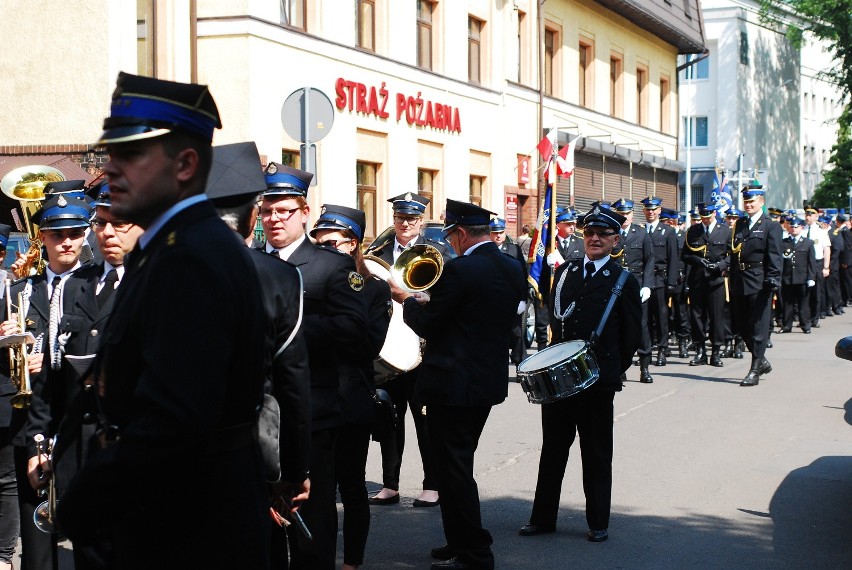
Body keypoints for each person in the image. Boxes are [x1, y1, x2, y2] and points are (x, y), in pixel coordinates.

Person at [56, 72, 271, 569]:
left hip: (189, 527)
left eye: (130, 155)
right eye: (111, 154)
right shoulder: (176, 246)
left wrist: (87, 499)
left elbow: (175, 419)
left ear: (185, 164)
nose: (110, 169)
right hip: (189, 515)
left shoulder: (188, 256)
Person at [388, 198, 525, 570]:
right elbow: (477, 312)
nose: (450, 243)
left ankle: (474, 551)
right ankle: (457, 540)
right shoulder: (512, 265)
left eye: (451, 235)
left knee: (455, 470)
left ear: (462, 232)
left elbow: (430, 323)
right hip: (486, 381)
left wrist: (408, 300)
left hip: (453, 384)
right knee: (455, 465)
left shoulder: (461, 270)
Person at [206, 142, 312, 569]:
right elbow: (293, 383)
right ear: (253, 213)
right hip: (246, 454)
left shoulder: (157, 267)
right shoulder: (278, 275)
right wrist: (295, 470)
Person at [259, 162, 367, 570]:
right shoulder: (250, 261)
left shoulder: (330, 264)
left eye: (285, 210)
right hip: (260, 410)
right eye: (268, 210)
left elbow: (353, 329)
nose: (275, 219)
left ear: (305, 212)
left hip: (312, 408)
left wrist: (288, 330)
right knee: (263, 520)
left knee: (312, 519)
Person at [520, 204, 641, 543]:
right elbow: (556, 322)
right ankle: (543, 518)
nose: (594, 239)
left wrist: (609, 370)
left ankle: (598, 521)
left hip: (597, 381)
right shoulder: (567, 272)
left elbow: (631, 336)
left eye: (603, 234)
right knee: (553, 450)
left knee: (597, 452)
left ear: (616, 240)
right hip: (559, 380)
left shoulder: (623, 280)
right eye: (589, 233)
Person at [2, 193, 93, 570]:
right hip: (32, 418)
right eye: (57, 234)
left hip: (81, 418)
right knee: (37, 527)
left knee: (88, 528)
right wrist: (9, 344)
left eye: (74, 232)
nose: (66, 241)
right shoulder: (20, 291)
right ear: (44, 238)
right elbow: (9, 365)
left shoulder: (97, 287)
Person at [310, 204, 391, 570]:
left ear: (351, 244)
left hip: (349, 398)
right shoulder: (308, 278)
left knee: (352, 487)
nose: (323, 248)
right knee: (317, 492)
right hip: (312, 398)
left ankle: (352, 563)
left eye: (331, 242)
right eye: (318, 241)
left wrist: (323, 329)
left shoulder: (372, 289)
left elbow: (369, 344)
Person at [366, 192, 451, 509]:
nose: (405, 224)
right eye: (400, 218)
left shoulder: (436, 255)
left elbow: (445, 301)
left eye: (412, 219)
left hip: (422, 348)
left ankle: (432, 485)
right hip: (388, 346)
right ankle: (390, 484)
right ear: (394, 220)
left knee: (425, 420)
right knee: (389, 416)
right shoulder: (377, 252)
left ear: (421, 222)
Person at [728, 184, 783, 387]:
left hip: (760, 280)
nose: (748, 204)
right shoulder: (740, 224)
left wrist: (773, 278)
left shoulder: (770, 225)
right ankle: (762, 362)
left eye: (752, 201)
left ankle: (754, 369)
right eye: (746, 201)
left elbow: (775, 255)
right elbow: (734, 253)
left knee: (759, 327)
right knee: (742, 326)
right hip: (740, 280)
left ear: (761, 202)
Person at [609, 198, 653, 382]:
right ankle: (620, 367)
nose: (624, 217)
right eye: (621, 214)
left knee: (640, 326)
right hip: (616, 284)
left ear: (632, 214)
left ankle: (644, 367)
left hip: (636, 284)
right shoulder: (611, 233)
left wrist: (647, 285)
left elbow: (649, 259)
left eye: (627, 214)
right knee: (617, 326)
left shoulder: (641, 233)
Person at [682, 203, 730, 367]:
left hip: (716, 280)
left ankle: (716, 352)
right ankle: (700, 351)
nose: (705, 219)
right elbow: (685, 255)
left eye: (708, 216)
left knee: (717, 317)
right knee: (697, 317)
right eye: (703, 216)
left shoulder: (725, 231)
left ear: (714, 213)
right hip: (697, 279)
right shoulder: (693, 231)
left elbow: (732, 255)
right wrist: (697, 259)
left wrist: (721, 266)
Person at [640, 196, 678, 366]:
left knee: (661, 317)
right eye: (648, 209)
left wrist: (671, 282)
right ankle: (646, 350)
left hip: (660, 279)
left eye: (654, 209)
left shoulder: (668, 231)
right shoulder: (639, 231)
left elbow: (673, 258)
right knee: (644, 318)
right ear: (644, 211)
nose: (651, 212)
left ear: (659, 211)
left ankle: (662, 349)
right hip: (643, 280)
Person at [490, 217, 528, 365]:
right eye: (494, 233)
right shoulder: (485, 250)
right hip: (493, 301)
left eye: (501, 232)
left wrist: (523, 299)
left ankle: (520, 364)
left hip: (512, 300)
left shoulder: (514, 249)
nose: (498, 235)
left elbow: (523, 277)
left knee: (517, 334)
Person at [779, 217, 817, 333]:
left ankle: (805, 325)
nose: (794, 229)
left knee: (803, 303)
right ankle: (786, 326)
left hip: (802, 278)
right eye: (791, 226)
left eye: (796, 227)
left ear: (801, 227)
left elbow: (811, 262)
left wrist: (811, 277)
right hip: (788, 278)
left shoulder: (808, 242)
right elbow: (781, 262)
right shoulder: (784, 243)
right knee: (787, 303)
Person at [662, 207, 690, 358]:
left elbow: (687, 261)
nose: (668, 224)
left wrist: (687, 281)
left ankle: (682, 342)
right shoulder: (661, 235)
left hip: (679, 278)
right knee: (663, 313)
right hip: (663, 278)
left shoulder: (684, 237)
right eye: (666, 222)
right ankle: (664, 343)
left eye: (670, 222)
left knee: (681, 313)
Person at [803, 206, 830, 326]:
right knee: (805, 293)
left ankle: (815, 318)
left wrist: (826, 267)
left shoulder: (821, 231)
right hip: (804, 264)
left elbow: (826, 249)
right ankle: (805, 318)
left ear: (816, 216)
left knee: (817, 292)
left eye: (810, 215)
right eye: (806, 215)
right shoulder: (802, 230)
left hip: (817, 263)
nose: (808, 217)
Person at [822, 214, 846, 315]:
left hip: (832, 264)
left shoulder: (833, 233)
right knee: (831, 287)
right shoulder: (829, 232)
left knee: (831, 287)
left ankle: (832, 307)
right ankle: (835, 306)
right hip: (829, 264)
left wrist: (829, 264)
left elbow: (838, 249)